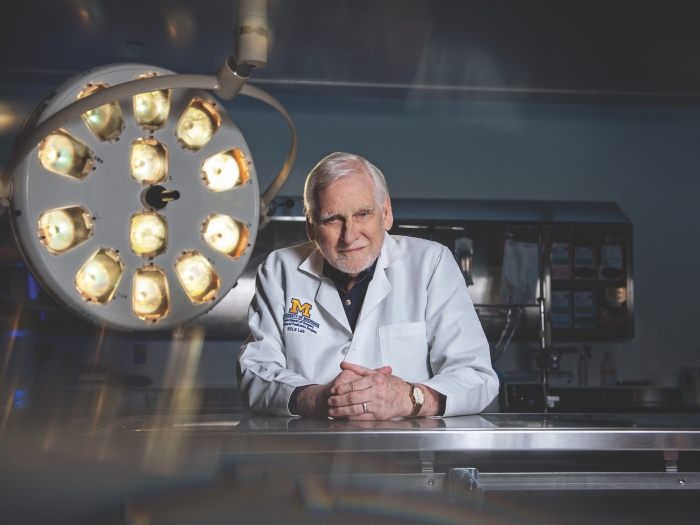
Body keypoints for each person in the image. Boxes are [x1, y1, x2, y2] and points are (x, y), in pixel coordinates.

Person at [237, 153, 498, 419]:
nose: (349, 236)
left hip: (403, 453)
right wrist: (316, 398)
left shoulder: (432, 264)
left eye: (362, 214)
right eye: (332, 219)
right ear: (311, 227)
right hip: (308, 452)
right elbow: (255, 371)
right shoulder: (279, 270)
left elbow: (476, 377)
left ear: (386, 213)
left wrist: (408, 397)